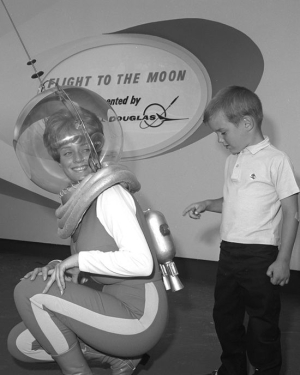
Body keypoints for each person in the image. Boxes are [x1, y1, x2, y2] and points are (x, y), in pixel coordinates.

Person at [8, 106, 169, 375]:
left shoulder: (110, 194)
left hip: (140, 316)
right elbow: (98, 258)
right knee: (22, 342)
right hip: (115, 307)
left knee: (27, 292)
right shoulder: (83, 199)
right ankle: (119, 359)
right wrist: (58, 267)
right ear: (57, 158)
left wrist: (78, 259)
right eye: (68, 152)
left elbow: (141, 263)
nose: (79, 158)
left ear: (98, 148)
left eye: (86, 148)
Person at [183, 86, 299, 375]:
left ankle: (267, 370)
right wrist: (209, 203)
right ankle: (231, 369)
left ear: (247, 123)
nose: (220, 140)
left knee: (262, 323)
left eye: (223, 132)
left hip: (260, 256)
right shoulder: (232, 160)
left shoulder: (276, 161)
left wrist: (283, 259)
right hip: (229, 252)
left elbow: (291, 212)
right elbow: (235, 202)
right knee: (225, 317)